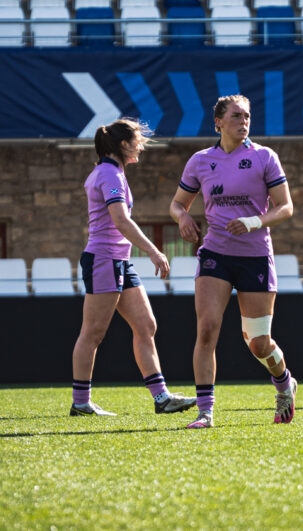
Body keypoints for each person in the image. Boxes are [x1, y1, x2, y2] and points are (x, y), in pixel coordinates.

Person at [169, 95, 297, 429]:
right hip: (215, 255)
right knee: (207, 329)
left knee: (259, 343)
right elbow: (177, 203)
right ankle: (205, 412)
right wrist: (182, 217)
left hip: (255, 256)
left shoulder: (264, 157)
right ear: (219, 123)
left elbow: (286, 207)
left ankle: (284, 382)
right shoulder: (200, 161)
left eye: (247, 116)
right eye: (237, 116)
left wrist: (255, 222)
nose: (244, 122)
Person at [70, 119, 196, 417]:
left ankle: (161, 398)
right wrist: (153, 251)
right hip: (104, 260)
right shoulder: (108, 174)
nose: (141, 145)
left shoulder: (111, 172)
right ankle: (81, 402)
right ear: (123, 144)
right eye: (137, 140)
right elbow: (121, 220)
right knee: (93, 332)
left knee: (146, 325)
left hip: (118, 261)